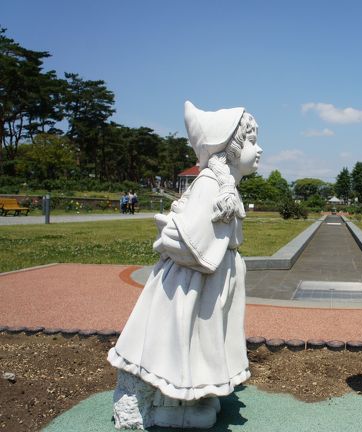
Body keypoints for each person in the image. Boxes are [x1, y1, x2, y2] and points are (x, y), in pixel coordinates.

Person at [107, 101, 263, 429]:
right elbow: (193, 241)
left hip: (207, 285)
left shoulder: (225, 188)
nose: (258, 149)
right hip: (190, 286)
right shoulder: (210, 185)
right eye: (251, 141)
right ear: (231, 149)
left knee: (200, 341)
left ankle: (194, 396)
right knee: (184, 340)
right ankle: (172, 402)